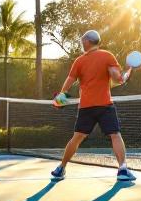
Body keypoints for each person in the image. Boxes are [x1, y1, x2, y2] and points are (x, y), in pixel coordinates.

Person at [50, 31, 135, 182]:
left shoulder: (79, 61)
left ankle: (61, 168)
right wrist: (128, 72)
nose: (82, 43)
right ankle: (122, 169)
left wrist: (60, 97)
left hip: (86, 107)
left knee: (77, 138)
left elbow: (69, 81)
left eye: (83, 40)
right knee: (115, 135)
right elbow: (118, 79)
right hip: (104, 106)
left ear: (88, 41)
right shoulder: (107, 56)